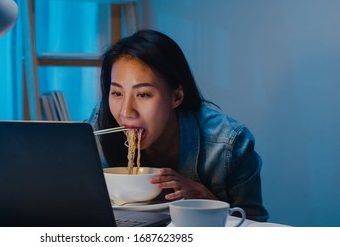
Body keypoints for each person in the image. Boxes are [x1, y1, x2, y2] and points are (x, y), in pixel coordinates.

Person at [87, 29, 269, 222]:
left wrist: (206, 200)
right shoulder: (100, 125)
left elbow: (255, 225)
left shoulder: (228, 142)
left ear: (176, 97)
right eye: (117, 93)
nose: (126, 111)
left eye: (143, 94)